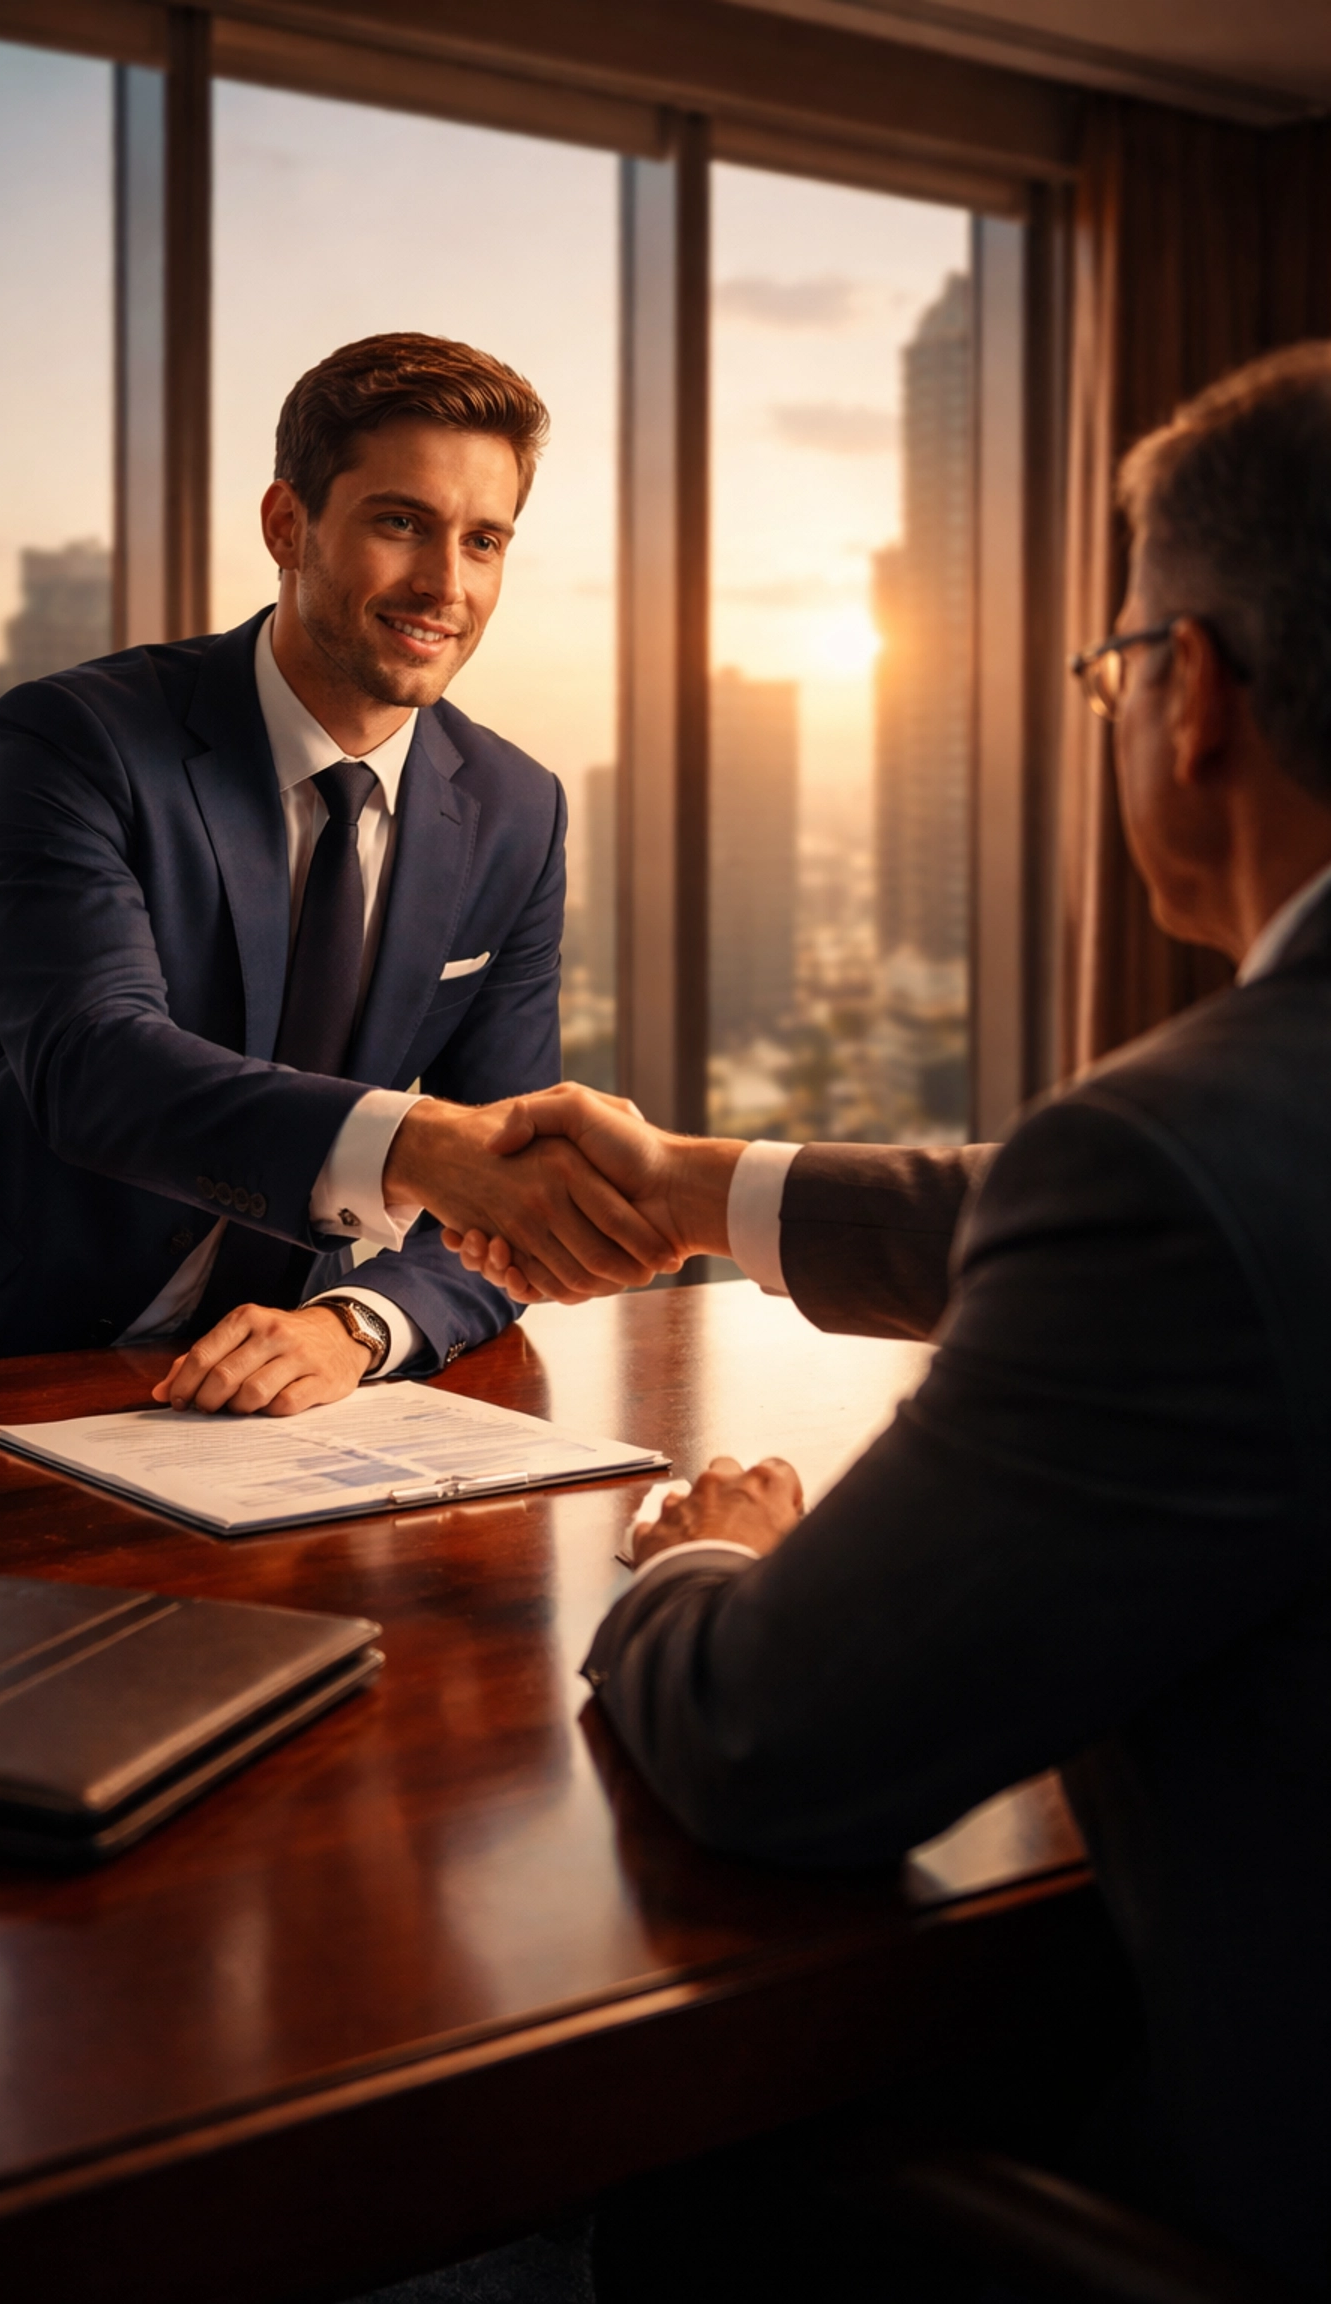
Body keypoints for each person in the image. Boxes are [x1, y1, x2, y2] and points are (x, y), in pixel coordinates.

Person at [448, 343, 1331, 2290]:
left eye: (1109, 672)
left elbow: (775, 1750)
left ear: (1189, 696)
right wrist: (701, 1186)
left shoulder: (1185, 1169)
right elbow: (1206, 1219)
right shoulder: (1223, 1155)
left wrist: (712, 1567)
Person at [0, 332, 672, 1403]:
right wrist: (419, 1142)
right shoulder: (76, 738)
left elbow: (501, 1190)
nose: (446, 585)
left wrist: (357, 1323)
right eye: (402, 523)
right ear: (286, 524)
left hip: (257, 1397)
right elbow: (95, 1066)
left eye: (484, 540)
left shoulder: (515, 810)